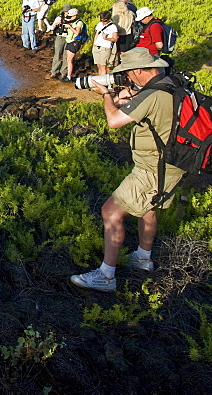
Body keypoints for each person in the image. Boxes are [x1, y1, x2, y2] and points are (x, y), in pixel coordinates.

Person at [70, 48, 178, 292]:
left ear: (139, 70)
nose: (128, 77)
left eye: (129, 73)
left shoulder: (153, 95)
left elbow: (114, 121)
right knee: (148, 207)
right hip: (170, 166)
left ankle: (106, 276)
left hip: (153, 168)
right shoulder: (169, 84)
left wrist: (106, 94)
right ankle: (143, 258)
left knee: (110, 211)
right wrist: (130, 99)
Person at [46, 4, 73, 80]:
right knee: (57, 54)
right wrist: (55, 24)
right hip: (60, 37)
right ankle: (54, 71)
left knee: (66, 56)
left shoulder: (73, 18)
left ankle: (64, 72)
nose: (68, 13)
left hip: (69, 38)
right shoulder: (59, 18)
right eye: (67, 11)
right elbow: (52, 27)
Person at [62, 8, 85, 81]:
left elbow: (77, 32)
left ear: (75, 16)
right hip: (69, 41)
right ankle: (69, 75)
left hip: (75, 42)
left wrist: (69, 27)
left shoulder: (79, 23)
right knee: (68, 60)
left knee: (70, 59)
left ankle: (69, 76)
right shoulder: (73, 21)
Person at [92, 10, 119, 74]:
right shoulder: (99, 25)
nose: (103, 22)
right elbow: (97, 34)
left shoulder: (113, 27)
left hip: (105, 47)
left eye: (105, 21)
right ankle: (99, 79)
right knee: (98, 65)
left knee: (103, 66)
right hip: (97, 46)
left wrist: (106, 38)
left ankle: (102, 81)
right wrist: (94, 44)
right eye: (101, 20)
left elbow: (115, 39)